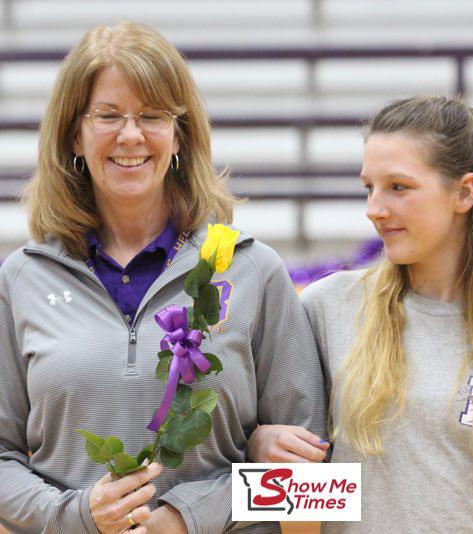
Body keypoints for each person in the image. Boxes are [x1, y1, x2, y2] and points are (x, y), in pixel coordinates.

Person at [0, 22, 327, 534]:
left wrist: (186, 518)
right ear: (73, 135)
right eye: (107, 115)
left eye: (152, 115)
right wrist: (80, 516)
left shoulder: (254, 272)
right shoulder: (20, 279)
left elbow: (316, 483)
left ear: (180, 134)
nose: (131, 135)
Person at [251, 96, 473, 532]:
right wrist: (258, 444)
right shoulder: (325, 309)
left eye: (398, 186)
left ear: (465, 192)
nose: (374, 208)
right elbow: (269, 482)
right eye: (369, 187)